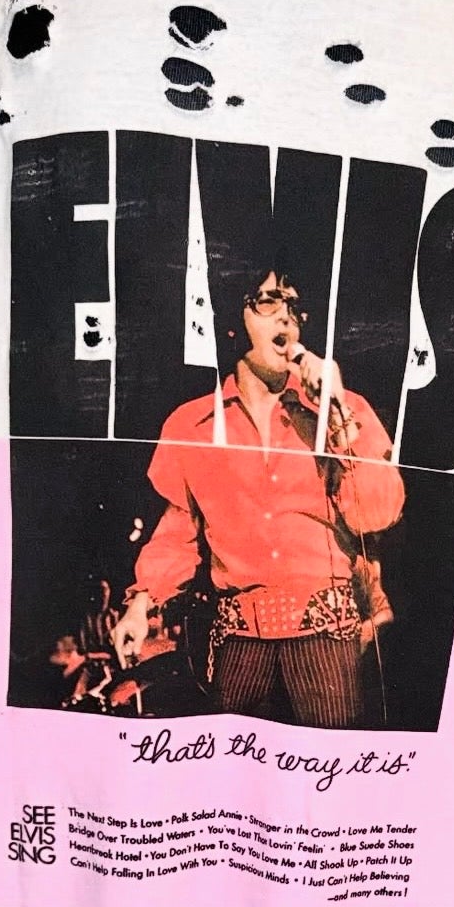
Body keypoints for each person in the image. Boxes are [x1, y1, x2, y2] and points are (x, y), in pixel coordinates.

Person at [111, 266, 405, 727]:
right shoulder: (193, 426)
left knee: (325, 764)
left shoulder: (342, 411)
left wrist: (338, 414)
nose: (286, 317)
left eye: (293, 306)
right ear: (234, 322)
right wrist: (139, 606)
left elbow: (378, 514)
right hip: (239, 643)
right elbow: (177, 534)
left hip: (325, 641)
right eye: (268, 301)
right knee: (232, 763)